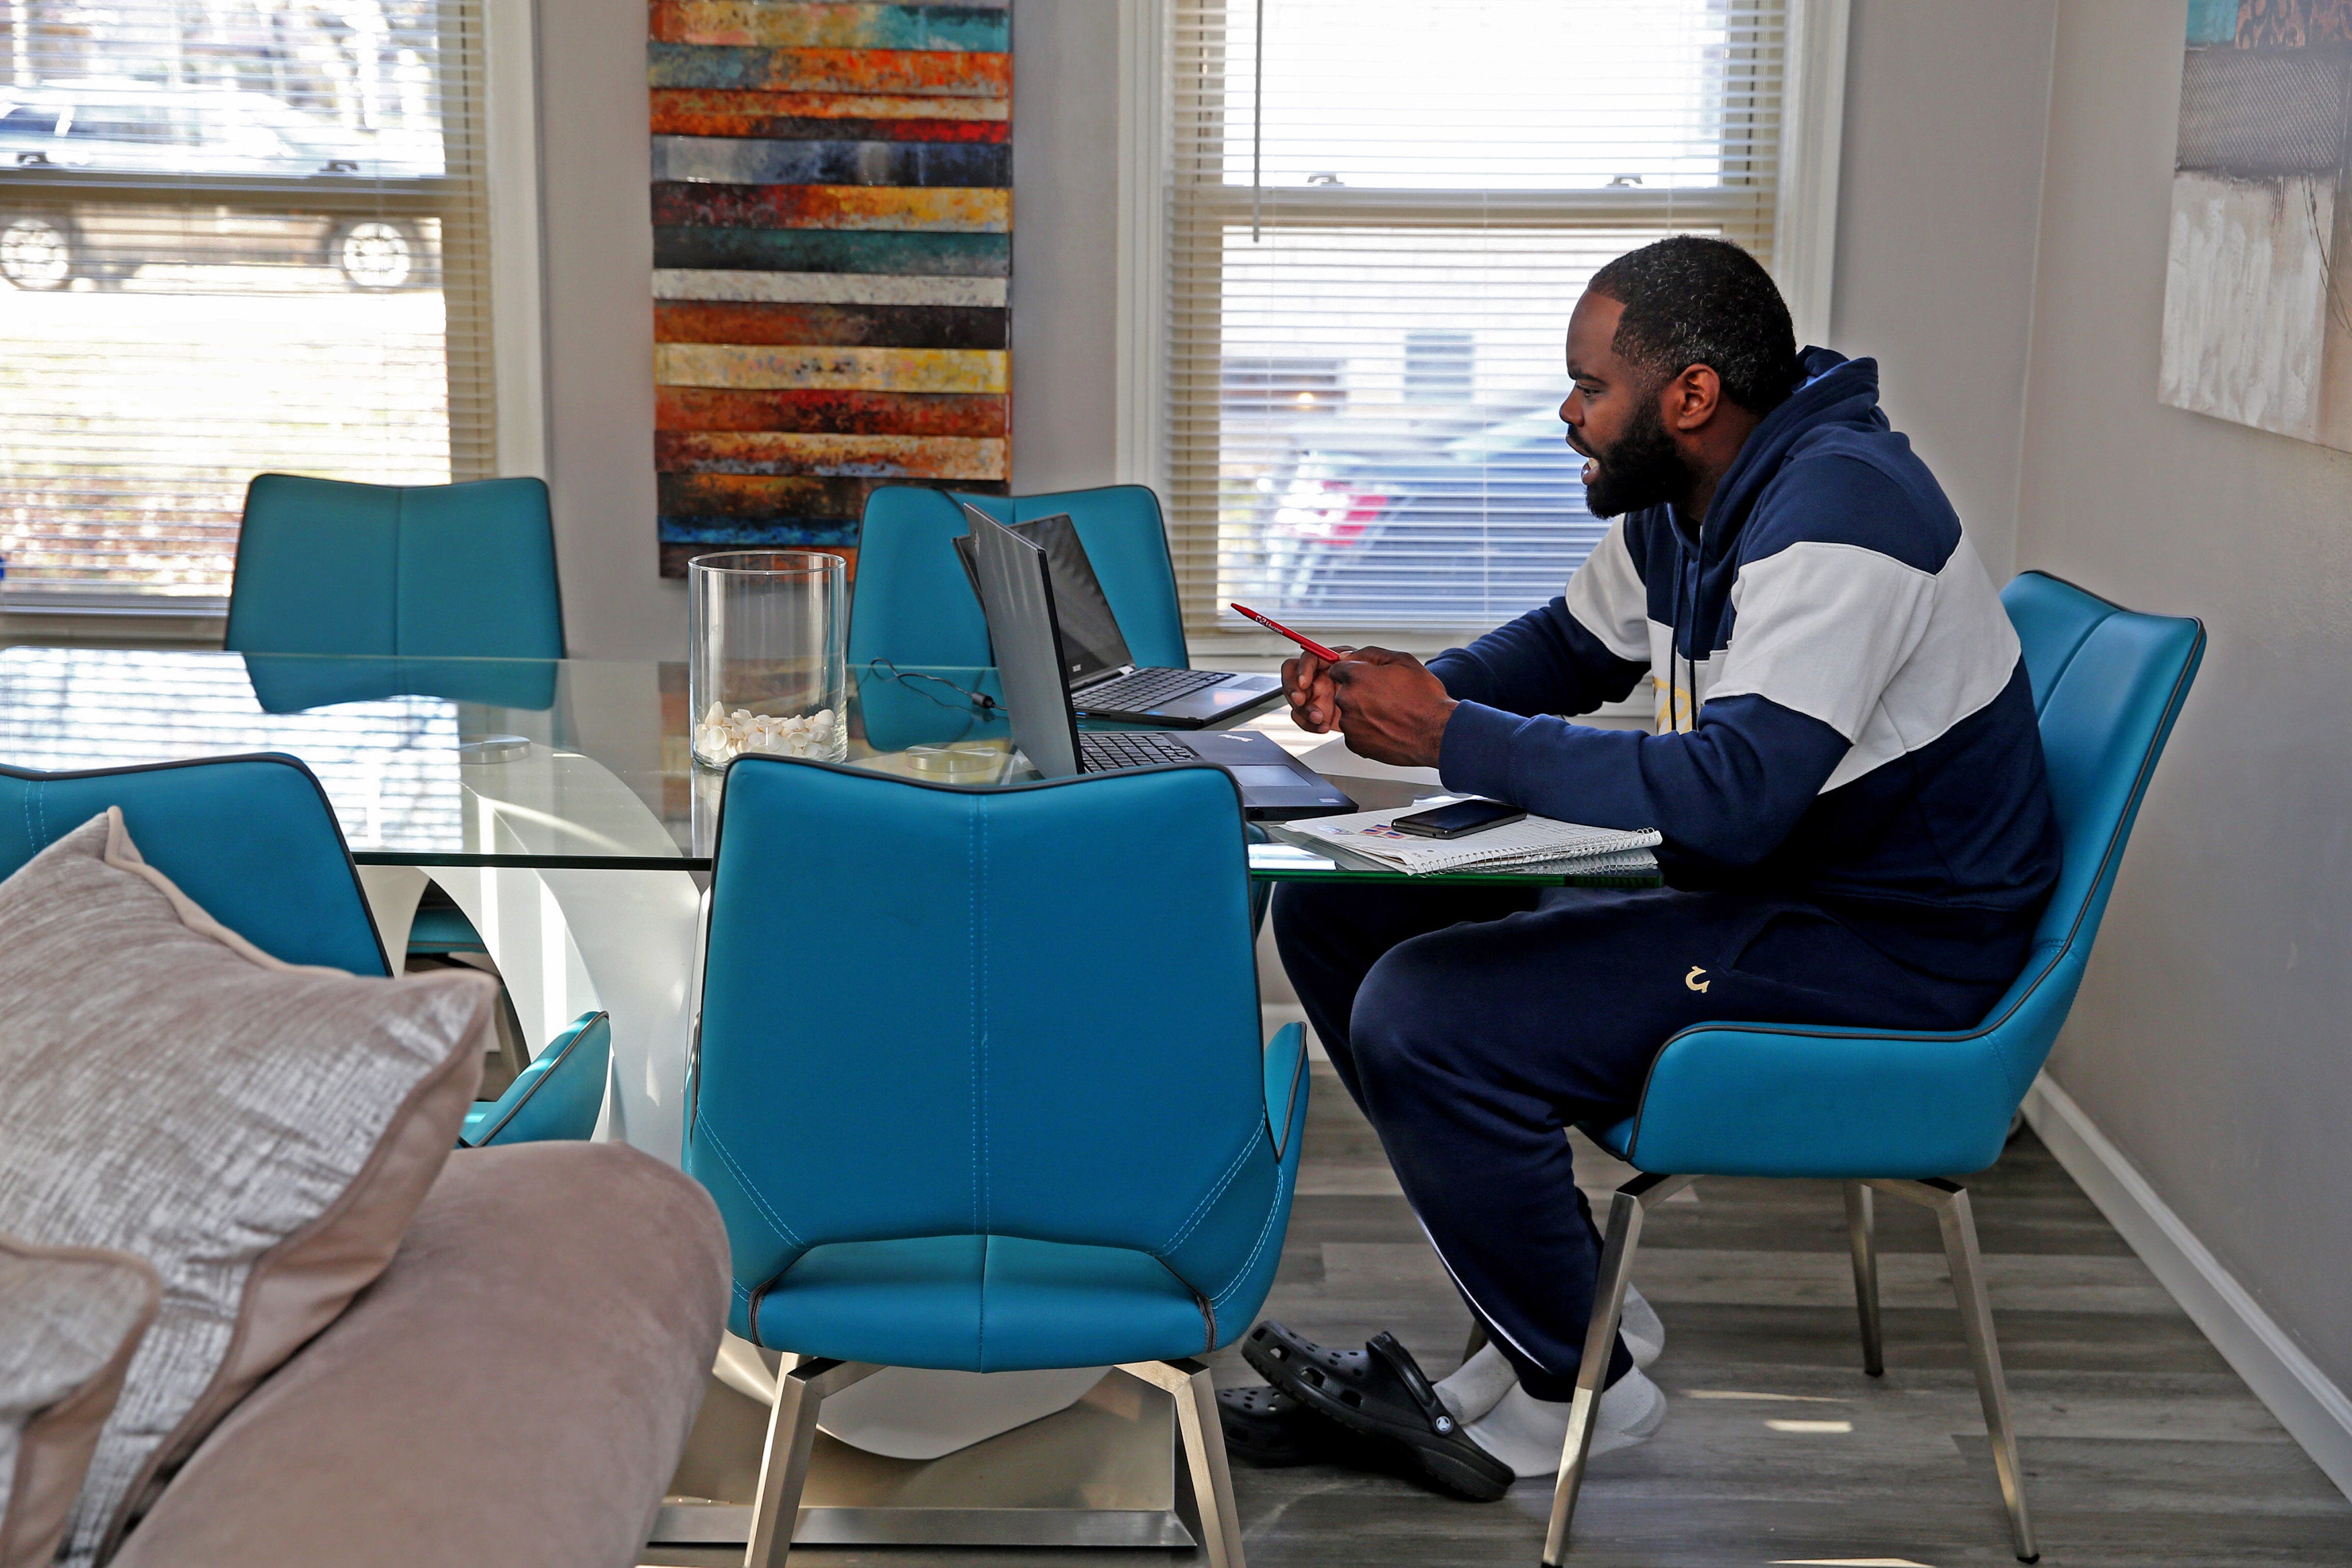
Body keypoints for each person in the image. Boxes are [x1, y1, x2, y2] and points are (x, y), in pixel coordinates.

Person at [1224, 236, 2062, 1500]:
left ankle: (1581, 1378)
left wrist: (1452, 737)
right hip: (1775, 882)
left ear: (1688, 395)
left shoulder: (1842, 515)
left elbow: (1730, 799)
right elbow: (1565, 648)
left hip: (1889, 947)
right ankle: (1550, 1317)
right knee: (1338, 911)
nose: (1565, 413)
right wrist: (1406, 692)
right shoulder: (1694, 496)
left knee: (1427, 1012)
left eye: (1586, 386)